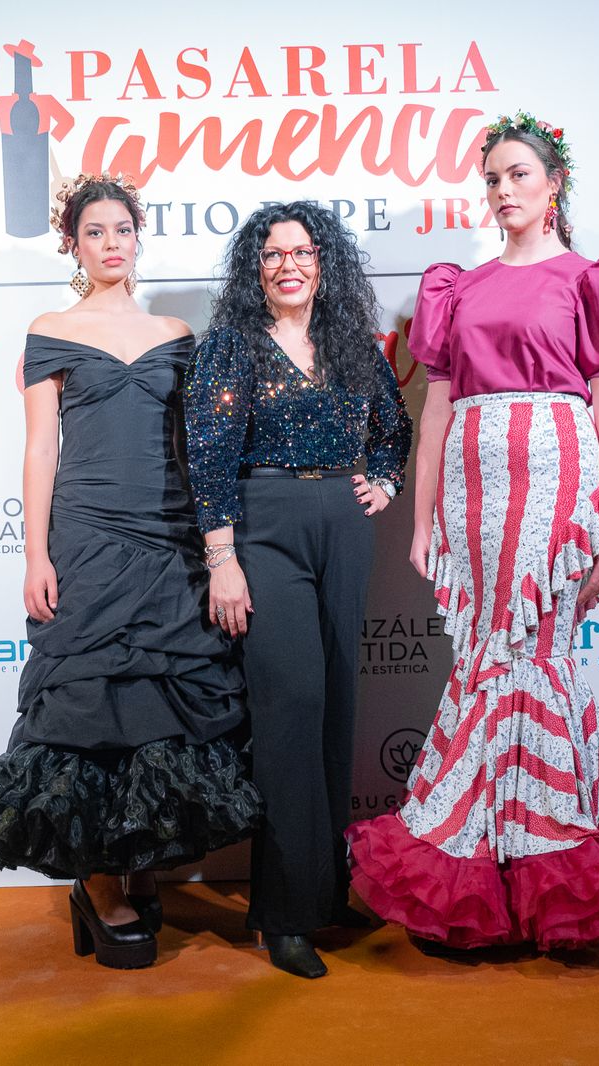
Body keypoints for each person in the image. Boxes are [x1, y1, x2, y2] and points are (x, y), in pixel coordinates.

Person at [345, 113, 599, 953]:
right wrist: (422, 518)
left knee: (537, 658)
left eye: (519, 175)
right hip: (471, 492)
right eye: (493, 177)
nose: (504, 191)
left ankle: (552, 865)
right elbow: (433, 414)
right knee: (481, 662)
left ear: (554, 184)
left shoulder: (590, 279)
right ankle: (490, 871)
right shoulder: (453, 288)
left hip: (557, 487)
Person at [0, 174, 262, 970]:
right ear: (73, 247)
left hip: (170, 534)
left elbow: (198, 450)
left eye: (122, 230)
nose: (111, 244)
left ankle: (140, 865)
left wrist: (217, 549)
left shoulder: (180, 333)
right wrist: (36, 553)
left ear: (138, 236)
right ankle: (99, 884)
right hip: (87, 536)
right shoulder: (49, 330)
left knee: (159, 705)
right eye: (94, 233)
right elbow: (41, 448)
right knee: (87, 706)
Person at [185, 201, 413, 978]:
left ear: (325, 263)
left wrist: (384, 478)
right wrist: (223, 557)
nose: (290, 264)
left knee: (337, 706)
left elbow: (393, 426)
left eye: (303, 252)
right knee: (290, 708)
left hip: (343, 526)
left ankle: (321, 889)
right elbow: (208, 454)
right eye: (274, 253)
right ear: (256, 268)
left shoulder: (351, 344)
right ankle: (281, 913)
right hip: (266, 522)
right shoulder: (231, 346)